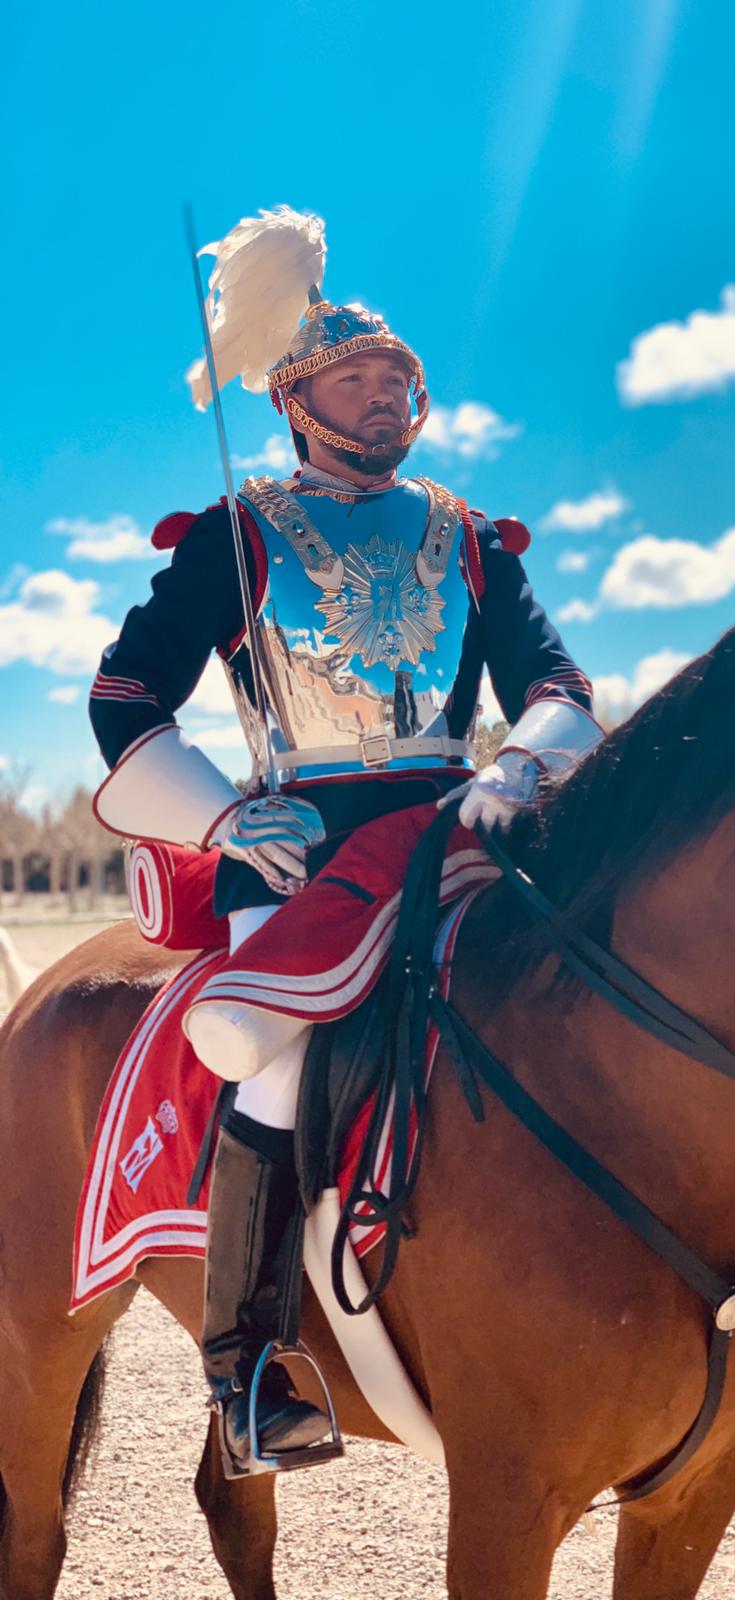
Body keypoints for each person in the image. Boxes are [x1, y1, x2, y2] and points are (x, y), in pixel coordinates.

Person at [90, 207, 601, 1478]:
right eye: (357, 378)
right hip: (298, 842)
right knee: (268, 1056)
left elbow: (557, 679)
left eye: (398, 379)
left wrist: (522, 766)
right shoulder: (238, 530)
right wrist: (219, 815)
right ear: (295, 397)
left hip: (461, 822)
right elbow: (122, 695)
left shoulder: (470, 535)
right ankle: (251, 1363)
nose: (385, 396)